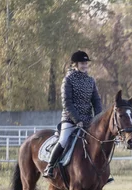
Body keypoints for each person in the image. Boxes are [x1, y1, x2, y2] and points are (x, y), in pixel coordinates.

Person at [43, 50, 106, 180]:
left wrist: (98, 118)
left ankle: (103, 172)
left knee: (99, 142)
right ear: (75, 64)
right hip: (70, 119)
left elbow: (96, 101)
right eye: (82, 63)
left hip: (89, 120)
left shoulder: (90, 81)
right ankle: (49, 166)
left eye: (86, 63)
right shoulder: (68, 80)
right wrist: (77, 119)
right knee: (63, 139)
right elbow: (67, 102)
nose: (85, 65)